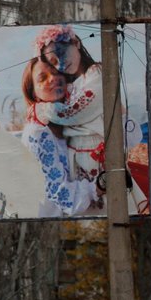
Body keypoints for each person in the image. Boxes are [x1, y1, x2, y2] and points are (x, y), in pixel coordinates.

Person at [20, 57, 105, 217]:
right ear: (33, 92)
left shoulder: (69, 124)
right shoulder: (37, 132)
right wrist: (103, 185)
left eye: (56, 73)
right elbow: (64, 197)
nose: (52, 79)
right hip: (47, 227)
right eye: (42, 78)